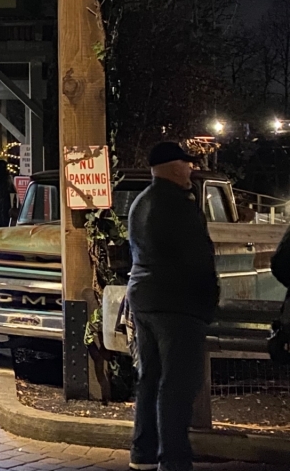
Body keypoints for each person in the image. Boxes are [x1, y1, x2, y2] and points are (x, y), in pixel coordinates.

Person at [127, 142, 219, 471]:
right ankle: (175, 458)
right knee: (178, 384)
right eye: (187, 163)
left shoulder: (141, 202)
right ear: (173, 166)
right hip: (178, 304)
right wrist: (209, 300)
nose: (191, 168)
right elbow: (197, 258)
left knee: (150, 377)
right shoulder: (179, 205)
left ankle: (144, 452)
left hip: (145, 298)